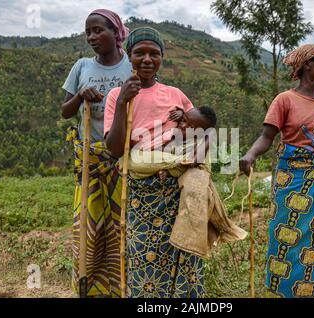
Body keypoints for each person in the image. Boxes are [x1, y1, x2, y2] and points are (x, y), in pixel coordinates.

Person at [239, 44, 314, 298]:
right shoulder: (285, 100)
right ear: (308, 65)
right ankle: (286, 289)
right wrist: (250, 155)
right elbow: (266, 136)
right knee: (286, 234)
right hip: (292, 178)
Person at [104, 27, 205, 298]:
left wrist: (190, 146)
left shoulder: (175, 94)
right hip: (141, 192)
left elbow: (199, 131)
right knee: (143, 256)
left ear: (162, 57)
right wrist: (125, 100)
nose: (147, 59)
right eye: (140, 53)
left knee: (185, 255)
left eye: (154, 54)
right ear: (129, 56)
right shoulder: (116, 95)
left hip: (177, 188)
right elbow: (114, 148)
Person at [60, 9, 132, 297]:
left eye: (98, 30)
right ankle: (90, 289)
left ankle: (122, 289)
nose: (91, 37)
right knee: (88, 228)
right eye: (88, 32)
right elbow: (66, 112)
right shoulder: (81, 67)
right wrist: (81, 95)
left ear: (116, 33)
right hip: (90, 159)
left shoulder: (132, 66)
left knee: (120, 227)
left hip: (123, 158)